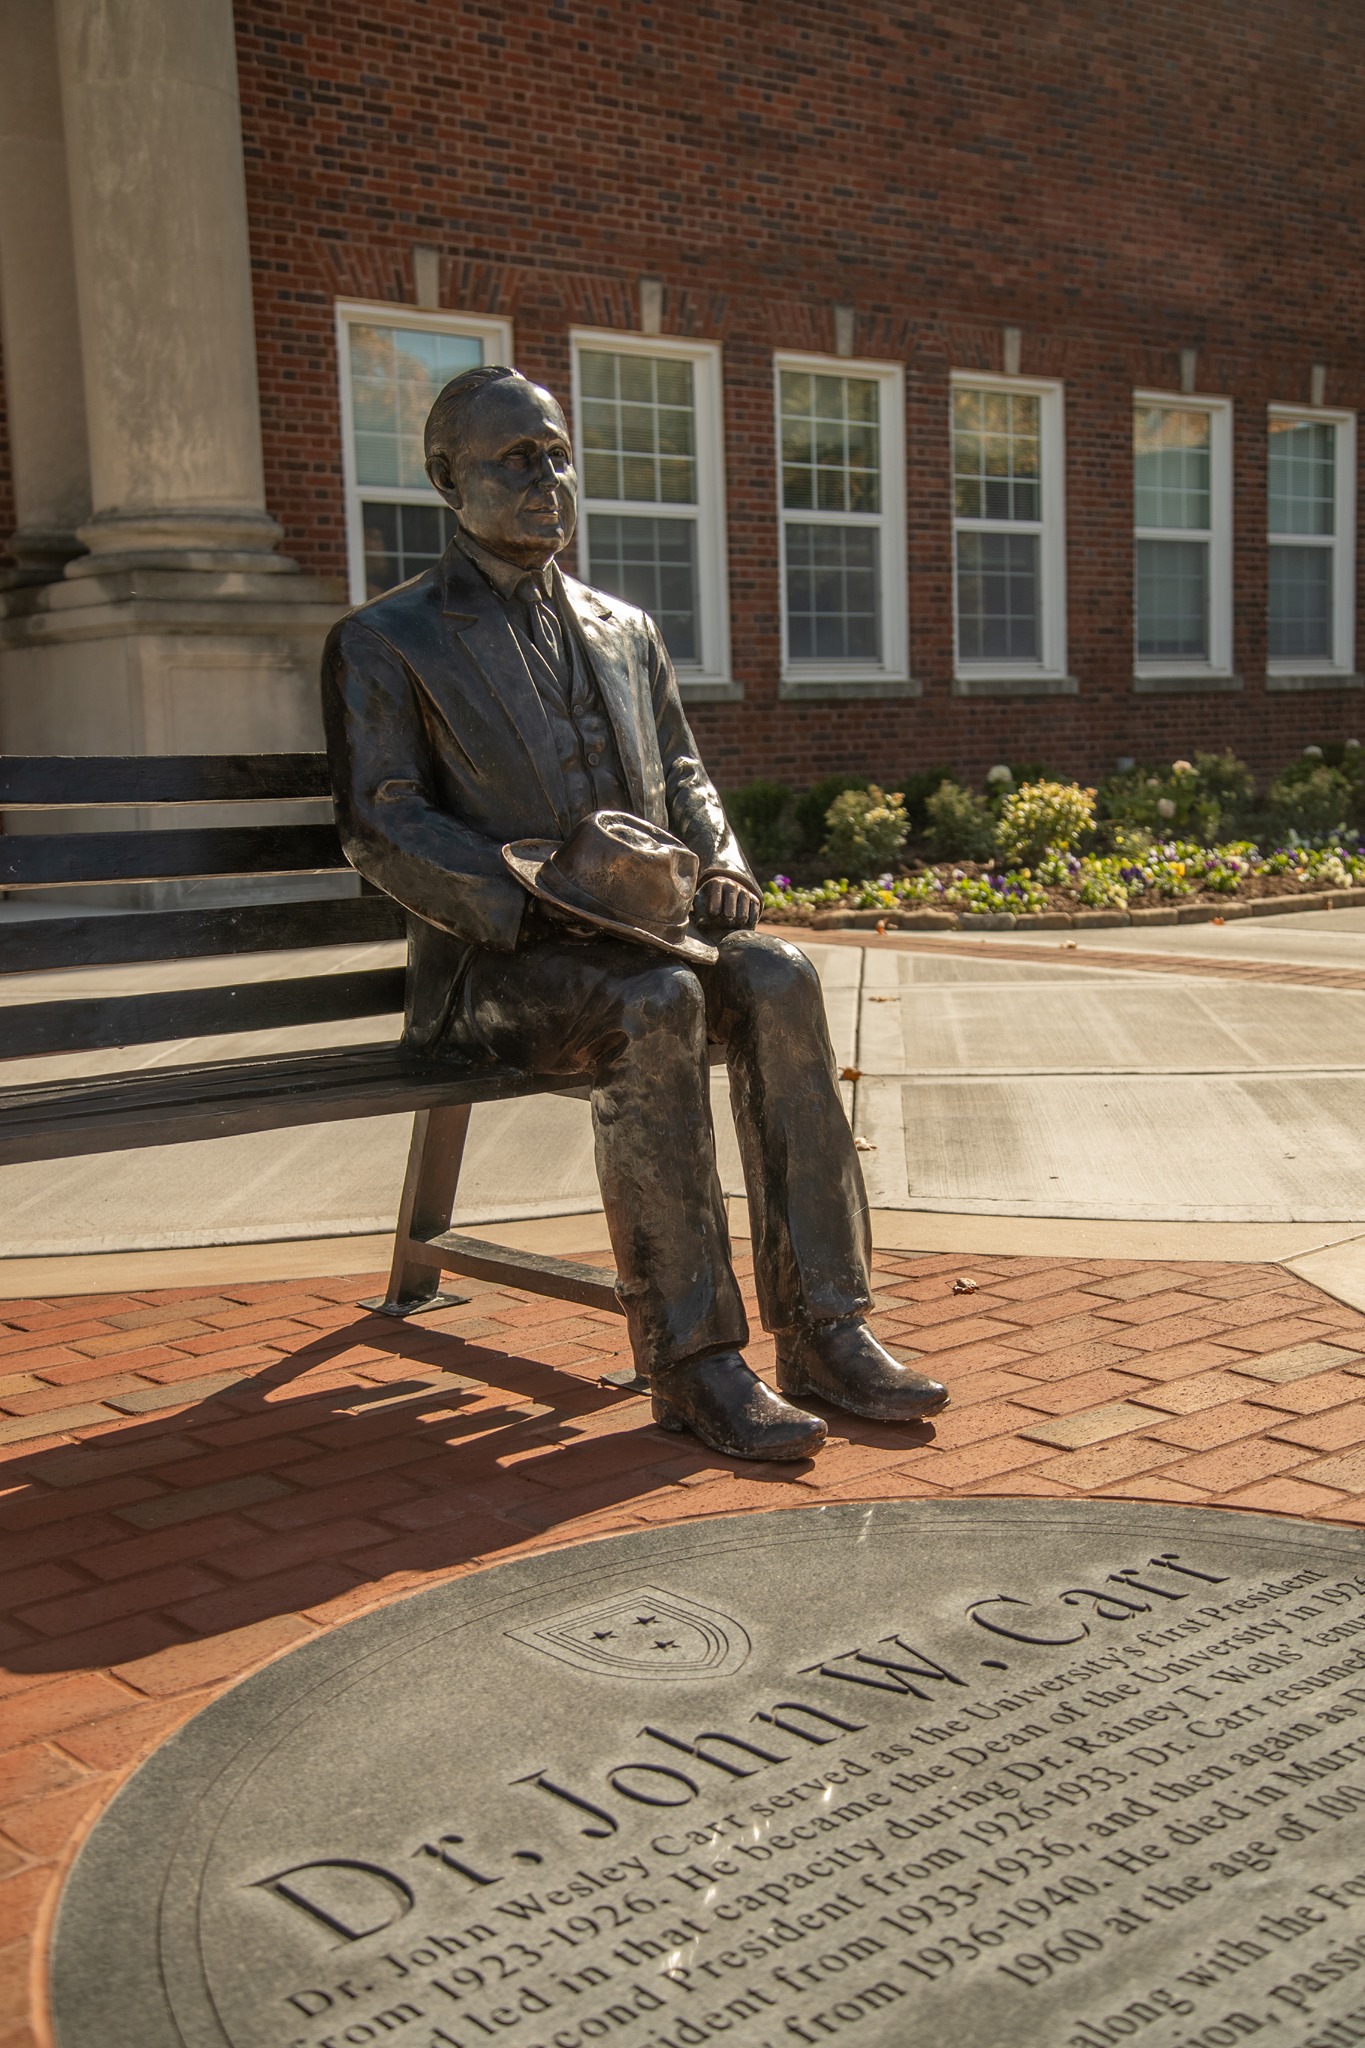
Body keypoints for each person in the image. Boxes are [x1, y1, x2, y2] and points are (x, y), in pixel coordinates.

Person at [322, 365, 948, 1461]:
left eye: (559, 455)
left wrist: (724, 864)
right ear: (445, 479)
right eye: (517, 459)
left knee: (780, 973)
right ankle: (694, 1359)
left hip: (648, 935)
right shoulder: (388, 639)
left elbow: (688, 776)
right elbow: (381, 821)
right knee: (655, 1002)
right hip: (497, 971)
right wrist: (528, 902)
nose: (548, 478)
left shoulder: (627, 628)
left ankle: (827, 1324)